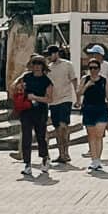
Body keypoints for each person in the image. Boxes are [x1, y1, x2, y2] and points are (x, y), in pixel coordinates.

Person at [14, 45, 54, 178]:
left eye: (39, 64)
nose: (36, 66)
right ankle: (27, 164)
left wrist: (35, 98)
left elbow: (49, 98)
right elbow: (15, 86)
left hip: (40, 111)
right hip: (26, 110)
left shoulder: (46, 81)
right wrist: (19, 88)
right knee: (26, 136)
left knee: (40, 136)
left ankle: (44, 158)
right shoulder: (26, 77)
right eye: (34, 64)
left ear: (43, 66)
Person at [43, 39, 78, 168]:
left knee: (64, 126)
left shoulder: (67, 65)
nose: (49, 56)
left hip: (65, 99)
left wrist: (77, 97)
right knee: (57, 128)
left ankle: (66, 152)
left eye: (51, 54)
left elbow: (74, 80)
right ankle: (61, 153)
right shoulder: (48, 68)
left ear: (56, 53)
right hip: (53, 102)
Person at [79, 50, 108, 171]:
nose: (93, 70)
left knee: (99, 134)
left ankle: (98, 159)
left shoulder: (104, 80)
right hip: (88, 108)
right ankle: (94, 160)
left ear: (99, 69)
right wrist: (87, 85)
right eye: (91, 68)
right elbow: (79, 93)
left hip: (101, 108)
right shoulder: (85, 79)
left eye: (95, 68)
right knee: (91, 135)